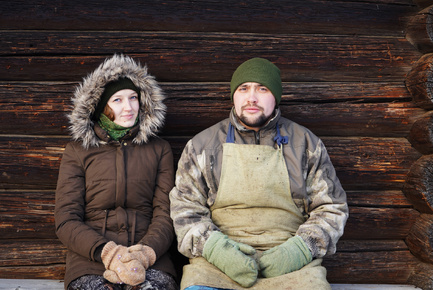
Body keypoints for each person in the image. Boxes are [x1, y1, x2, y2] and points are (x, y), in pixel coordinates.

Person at [169, 57, 349, 289]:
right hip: (216, 265)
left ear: (276, 96)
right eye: (244, 88)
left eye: (262, 89)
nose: (251, 97)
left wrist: (300, 249)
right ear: (234, 95)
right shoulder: (202, 146)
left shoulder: (306, 144)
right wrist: (215, 249)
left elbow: (332, 208)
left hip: (292, 265)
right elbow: (185, 209)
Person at [55, 54, 179, 290]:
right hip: (91, 261)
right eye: (118, 100)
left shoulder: (159, 149)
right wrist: (108, 253)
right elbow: (66, 220)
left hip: (150, 258)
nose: (129, 107)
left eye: (133, 98)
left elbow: (166, 213)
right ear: (102, 106)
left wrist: (144, 254)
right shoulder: (77, 152)